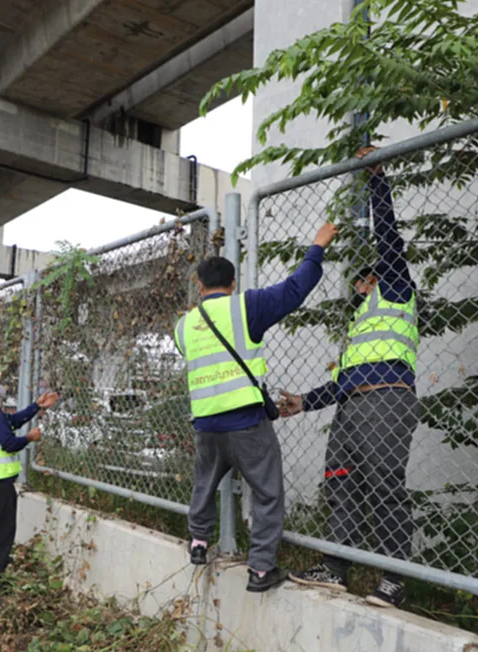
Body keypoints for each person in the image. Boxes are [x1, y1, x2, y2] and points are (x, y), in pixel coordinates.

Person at [280, 146, 420, 609]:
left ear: (378, 279)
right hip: (352, 403)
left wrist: (378, 180)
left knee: (383, 484)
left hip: (386, 400)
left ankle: (394, 579)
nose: (357, 287)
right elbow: (341, 383)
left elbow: (390, 242)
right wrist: (305, 401)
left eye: (363, 280)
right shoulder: (358, 329)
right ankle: (335, 569)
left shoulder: (397, 289)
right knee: (340, 480)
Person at [173, 220, 338, 593]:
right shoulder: (246, 306)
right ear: (233, 284)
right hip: (247, 423)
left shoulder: (184, 325)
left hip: (206, 426)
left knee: (204, 483)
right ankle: (261, 570)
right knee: (267, 492)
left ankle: (199, 542)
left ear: (199, 288)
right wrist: (317, 246)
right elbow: (296, 289)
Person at [0, 369, 59, 602]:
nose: (1, 388)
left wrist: (37, 406)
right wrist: (30, 438)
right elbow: (9, 443)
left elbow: (11, 422)